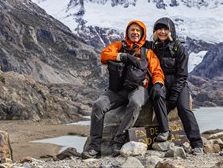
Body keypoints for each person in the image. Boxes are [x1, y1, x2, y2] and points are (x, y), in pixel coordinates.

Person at [82, 20, 165, 158]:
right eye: (132, 30)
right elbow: (104, 55)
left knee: (135, 103)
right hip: (117, 89)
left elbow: (157, 71)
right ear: (127, 32)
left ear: (142, 34)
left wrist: (157, 84)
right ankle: (94, 147)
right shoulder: (119, 46)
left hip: (139, 88)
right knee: (99, 105)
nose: (135, 33)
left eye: (138, 31)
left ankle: (118, 141)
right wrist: (123, 56)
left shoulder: (147, 52)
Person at [150, 17, 203, 155]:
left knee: (184, 108)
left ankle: (196, 143)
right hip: (161, 82)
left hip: (178, 83)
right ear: (155, 31)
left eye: (165, 29)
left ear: (171, 31)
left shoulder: (179, 48)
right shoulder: (152, 47)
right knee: (156, 95)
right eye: (159, 29)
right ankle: (164, 131)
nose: (162, 32)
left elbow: (182, 75)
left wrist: (174, 96)